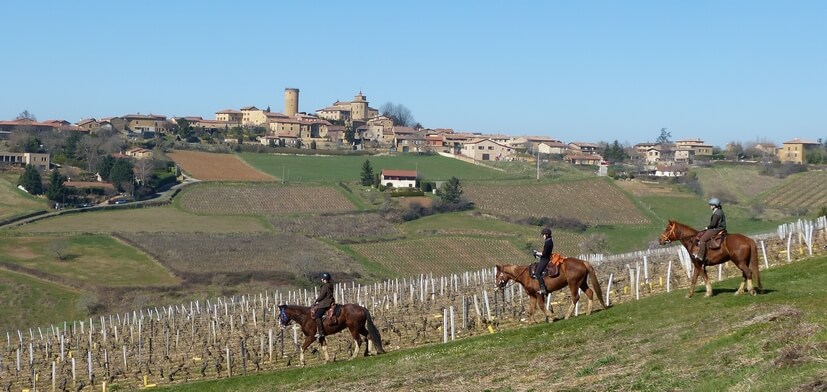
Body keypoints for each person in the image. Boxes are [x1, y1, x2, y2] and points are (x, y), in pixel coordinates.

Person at [695, 197, 726, 263]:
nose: (710, 206)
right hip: (721, 228)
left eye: (711, 205)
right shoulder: (720, 211)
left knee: (702, 239)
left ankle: (700, 256)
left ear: (715, 206)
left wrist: (707, 227)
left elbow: (713, 224)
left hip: (716, 229)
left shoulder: (716, 213)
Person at [532, 227, 555, 296]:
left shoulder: (548, 242)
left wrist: (536, 253)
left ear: (546, 235)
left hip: (545, 259)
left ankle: (543, 289)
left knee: (537, 273)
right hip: (545, 258)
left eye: (543, 235)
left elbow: (544, 253)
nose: (543, 236)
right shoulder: (549, 240)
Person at [313, 272, 335, 340]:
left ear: (324, 279)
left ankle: (320, 332)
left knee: (317, 316)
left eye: (322, 278)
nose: (321, 279)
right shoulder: (330, 285)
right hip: (330, 301)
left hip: (325, 303)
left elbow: (322, 295)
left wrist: (317, 300)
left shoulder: (325, 286)